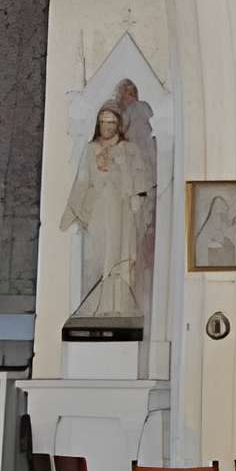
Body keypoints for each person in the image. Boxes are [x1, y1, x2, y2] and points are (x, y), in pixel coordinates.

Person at [62, 104, 154, 331]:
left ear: (118, 126)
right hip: (98, 211)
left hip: (120, 210)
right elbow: (83, 180)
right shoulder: (90, 149)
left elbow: (140, 177)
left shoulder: (128, 149)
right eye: (103, 122)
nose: (107, 127)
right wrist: (72, 210)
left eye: (112, 123)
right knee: (97, 256)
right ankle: (95, 304)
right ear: (98, 124)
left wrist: (133, 194)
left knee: (120, 254)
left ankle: (118, 305)